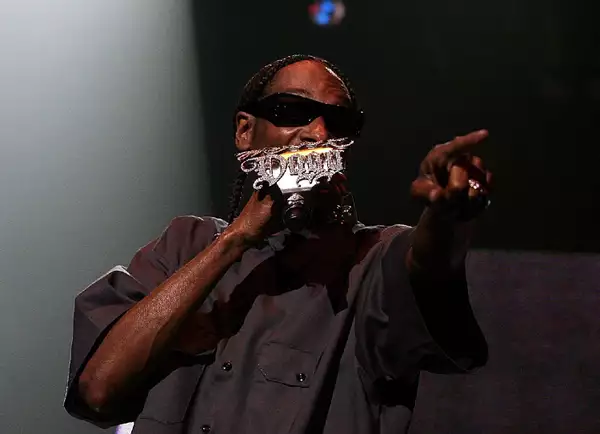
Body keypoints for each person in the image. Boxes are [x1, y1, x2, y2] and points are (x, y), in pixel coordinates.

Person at [65, 54, 491, 434]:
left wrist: (447, 218)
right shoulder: (185, 244)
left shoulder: (371, 261)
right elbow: (99, 390)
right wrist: (236, 239)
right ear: (245, 131)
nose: (318, 133)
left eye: (338, 122)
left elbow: (429, 264)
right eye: (294, 112)